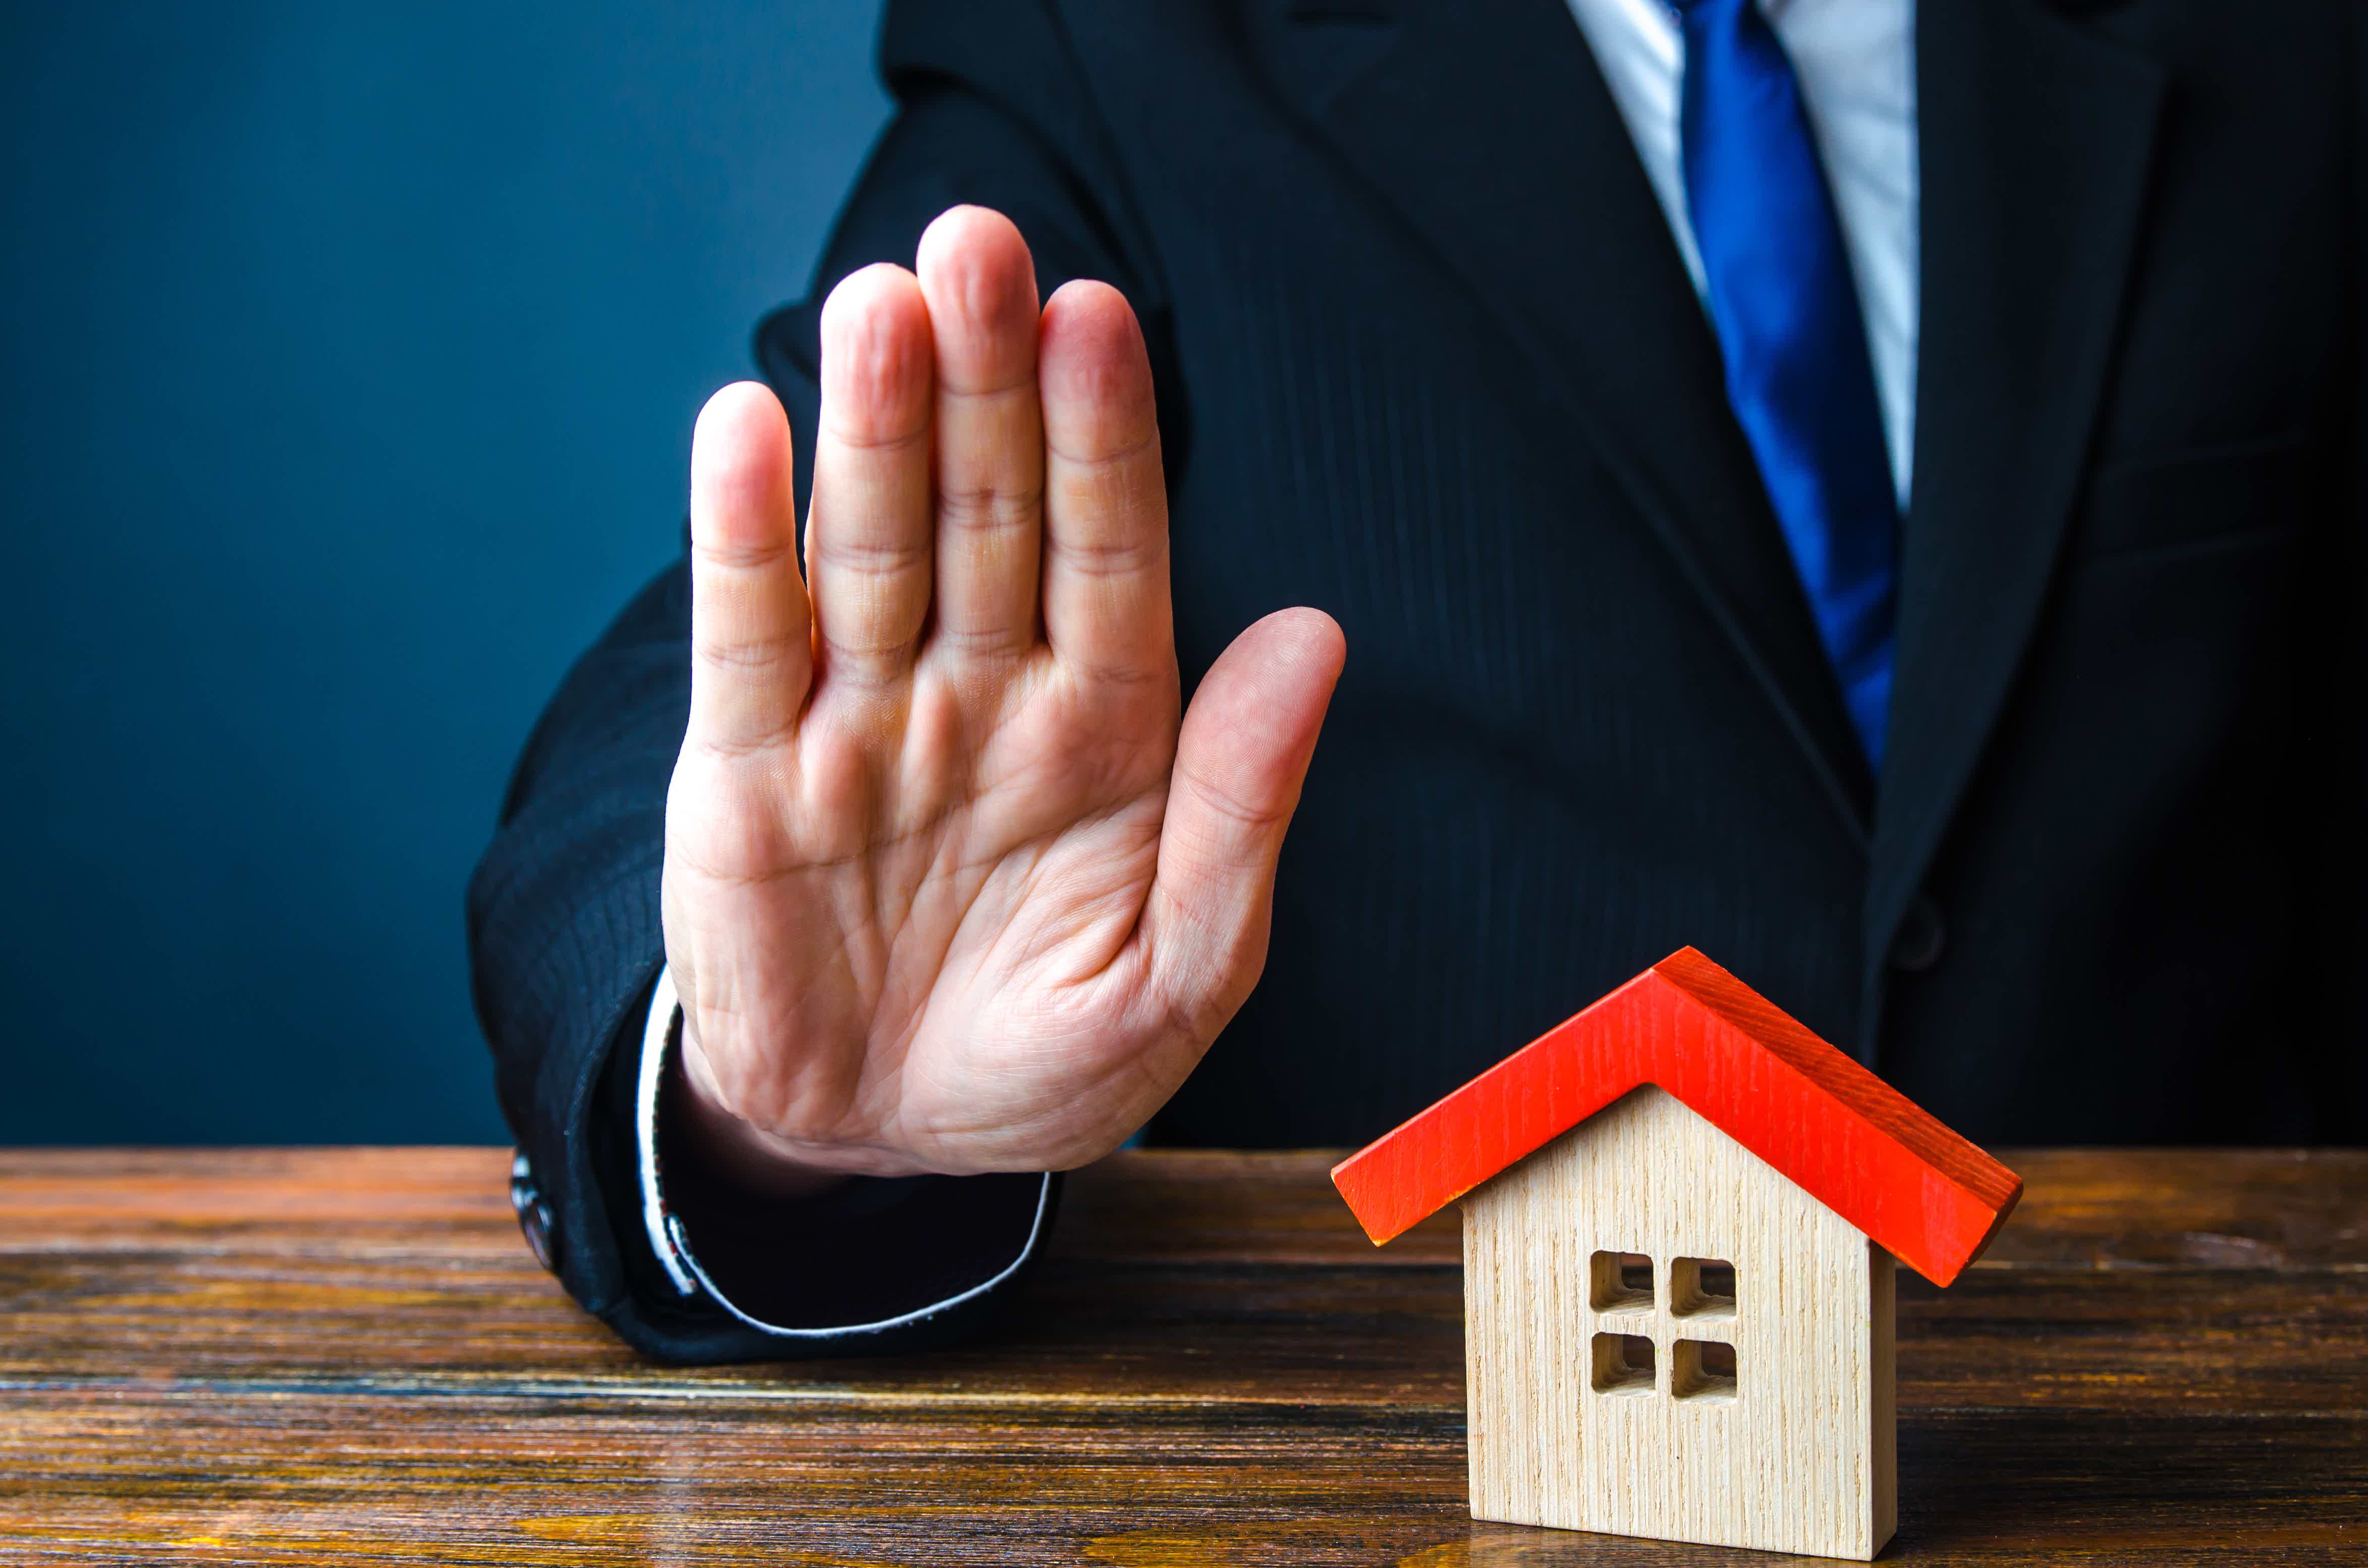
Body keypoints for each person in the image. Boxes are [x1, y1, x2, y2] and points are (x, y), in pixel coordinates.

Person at [468, 0, 2367, 1363]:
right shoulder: (1115, 54)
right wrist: (772, 1115)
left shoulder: (2293, 54)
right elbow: (759, 673)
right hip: (1471, 1437)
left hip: (2217, 1406)